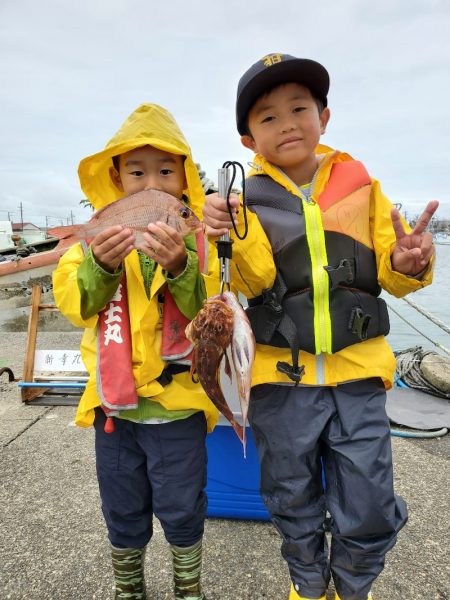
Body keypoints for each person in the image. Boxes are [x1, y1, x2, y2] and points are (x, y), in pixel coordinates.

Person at [202, 53, 439, 600]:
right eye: (267, 117)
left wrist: (411, 263)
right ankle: (309, 586)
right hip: (280, 381)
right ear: (247, 141)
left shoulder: (363, 187)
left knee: (370, 500)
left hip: (358, 376)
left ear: (324, 118)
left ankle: (353, 587)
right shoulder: (245, 201)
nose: (286, 123)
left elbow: (392, 274)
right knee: (291, 496)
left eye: (299, 108)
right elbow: (256, 278)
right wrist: (231, 231)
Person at [53, 103, 220, 600]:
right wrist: (98, 268)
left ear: (185, 176)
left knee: (184, 508)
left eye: (167, 171)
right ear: (116, 177)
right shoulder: (98, 236)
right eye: (137, 170)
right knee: (122, 509)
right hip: (114, 413)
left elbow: (212, 316)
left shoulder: (201, 243)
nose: (153, 181)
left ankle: (188, 588)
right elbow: (75, 305)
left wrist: (182, 267)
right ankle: (129, 589)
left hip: (180, 411)